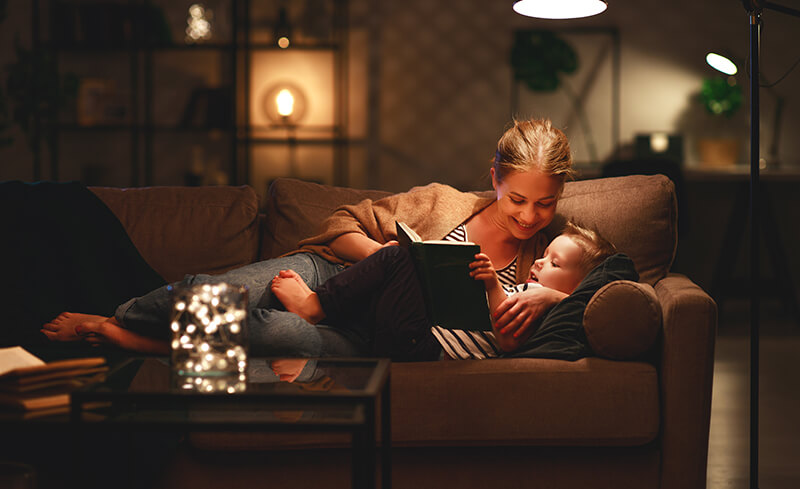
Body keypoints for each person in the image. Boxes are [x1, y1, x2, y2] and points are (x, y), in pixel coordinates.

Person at [42, 118, 576, 358]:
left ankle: (143, 342)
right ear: (495, 180)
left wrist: (553, 294)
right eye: (518, 200)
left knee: (273, 335)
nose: (530, 217)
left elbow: (612, 278)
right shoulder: (441, 203)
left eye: (545, 203)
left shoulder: (548, 255)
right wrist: (381, 253)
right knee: (218, 294)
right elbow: (339, 223)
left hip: (370, 335)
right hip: (334, 278)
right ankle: (124, 318)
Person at [269, 220, 617, 361]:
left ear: (578, 286)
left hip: (422, 349)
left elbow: (508, 338)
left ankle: (316, 306)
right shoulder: (533, 294)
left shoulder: (541, 303)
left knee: (394, 258)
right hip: (415, 335)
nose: (540, 263)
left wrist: (495, 283)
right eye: (543, 256)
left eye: (554, 263)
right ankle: (328, 305)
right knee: (402, 262)